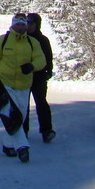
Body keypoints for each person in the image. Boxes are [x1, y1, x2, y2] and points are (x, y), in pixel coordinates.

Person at [0, 13, 45, 163]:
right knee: (12, 115)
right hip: (5, 84)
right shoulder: (2, 41)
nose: (21, 27)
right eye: (18, 24)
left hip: (24, 85)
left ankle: (8, 144)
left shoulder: (32, 42)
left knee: (21, 116)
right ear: (12, 25)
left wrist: (32, 66)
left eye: (23, 24)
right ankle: (22, 147)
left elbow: (41, 60)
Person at [24, 13, 56, 143]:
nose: (29, 26)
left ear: (37, 25)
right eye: (28, 23)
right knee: (23, 105)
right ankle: (23, 131)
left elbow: (48, 56)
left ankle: (46, 130)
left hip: (39, 77)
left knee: (41, 103)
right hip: (24, 76)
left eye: (32, 24)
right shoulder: (22, 39)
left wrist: (49, 70)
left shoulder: (43, 40)